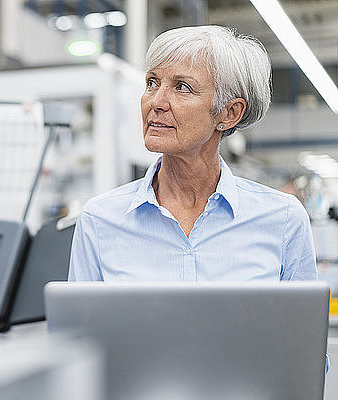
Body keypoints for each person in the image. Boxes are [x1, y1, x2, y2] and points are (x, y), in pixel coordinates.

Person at [68, 25, 317, 282]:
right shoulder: (100, 219)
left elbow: (302, 322)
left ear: (229, 113)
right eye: (152, 82)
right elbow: (78, 322)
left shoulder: (283, 219)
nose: (156, 102)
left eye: (182, 87)